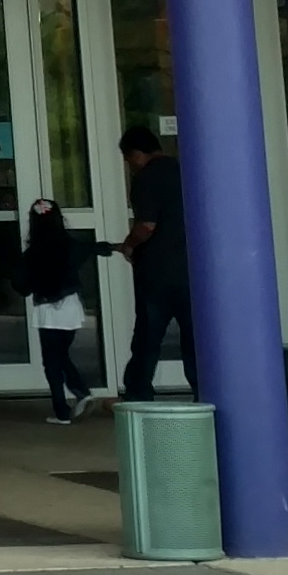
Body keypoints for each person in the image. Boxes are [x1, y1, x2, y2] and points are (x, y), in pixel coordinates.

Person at [116, 128, 192, 400]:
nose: (129, 165)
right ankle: (203, 393)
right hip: (191, 272)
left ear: (137, 154)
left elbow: (147, 225)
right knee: (194, 339)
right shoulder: (184, 171)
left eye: (128, 159)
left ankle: (138, 395)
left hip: (157, 273)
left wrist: (129, 245)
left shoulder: (146, 178)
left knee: (148, 338)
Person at [20, 197, 100, 422]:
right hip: (71, 307)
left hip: (47, 311)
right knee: (61, 355)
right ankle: (81, 392)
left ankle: (62, 410)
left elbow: (22, 285)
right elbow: (90, 249)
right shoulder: (71, 246)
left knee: (52, 363)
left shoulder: (33, 253)